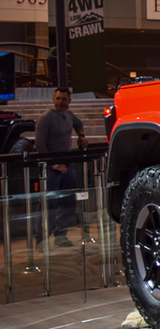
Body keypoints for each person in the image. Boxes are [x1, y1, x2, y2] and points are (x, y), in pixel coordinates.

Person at [33, 87, 88, 248]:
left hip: (67, 167)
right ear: (53, 99)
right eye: (57, 98)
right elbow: (40, 146)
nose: (60, 102)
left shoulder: (69, 115)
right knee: (48, 204)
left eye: (63, 99)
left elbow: (78, 123)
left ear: (69, 101)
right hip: (51, 169)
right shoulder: (45, 119)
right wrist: (55, 165)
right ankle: (41, 239)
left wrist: (81, 135)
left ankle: (60, 234)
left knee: (69, 202)